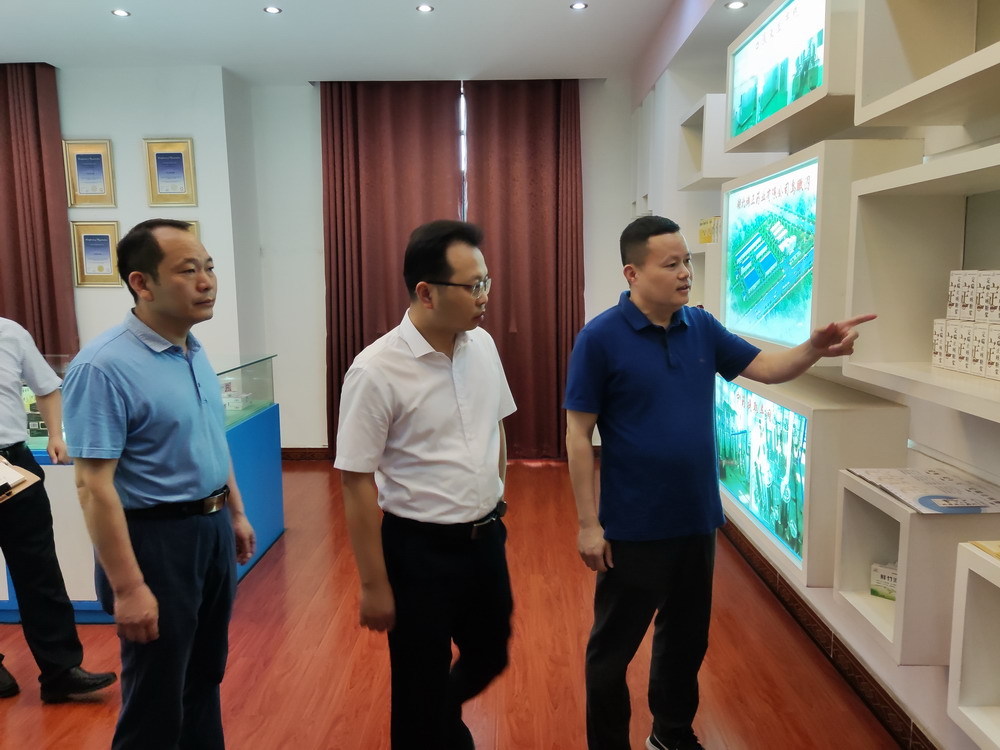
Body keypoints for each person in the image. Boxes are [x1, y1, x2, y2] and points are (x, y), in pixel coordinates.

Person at [564, 216, 874, 750]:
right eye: (672, 264)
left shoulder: (701, 326)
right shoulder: (599, 338)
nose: (686, 272)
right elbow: (577, 433)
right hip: (633, 525)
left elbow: (766, 367)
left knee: (685, 641)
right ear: (632, 273)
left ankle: (671, 734)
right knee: (613, 651)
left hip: (696, 518)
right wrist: (589, 524)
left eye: (687, 261)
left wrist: (813, 348)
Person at [61, 219, 256, 750]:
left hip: (210, 532)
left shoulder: (192, 349)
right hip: (155, 541)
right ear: (141, 283)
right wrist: (128, 588)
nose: (206, 281)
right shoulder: (103, 366)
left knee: (204, 676)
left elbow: (210, 438)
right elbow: (93, 486)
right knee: (157, 694)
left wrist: (235, 512)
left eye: (209, 267)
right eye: (188, 270)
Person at [335, 219, 516, 750]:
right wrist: (374, 584)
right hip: (419, 551)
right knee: (418, 681)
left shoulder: (482, 345)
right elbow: (355, 481)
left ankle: (441, 719)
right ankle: (436, 728)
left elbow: (495, 425)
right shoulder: (375, 370)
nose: (485, 295)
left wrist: (495, 495)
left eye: (486, 281)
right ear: (426, 292)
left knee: (490, 653)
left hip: (485, 539)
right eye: (473, 285)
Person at [0, 317, 117, 702]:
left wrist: (55, 435)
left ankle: (61, 670)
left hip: (13, 465)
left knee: (40, 568)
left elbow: (47, 387)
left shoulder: (11, 333)